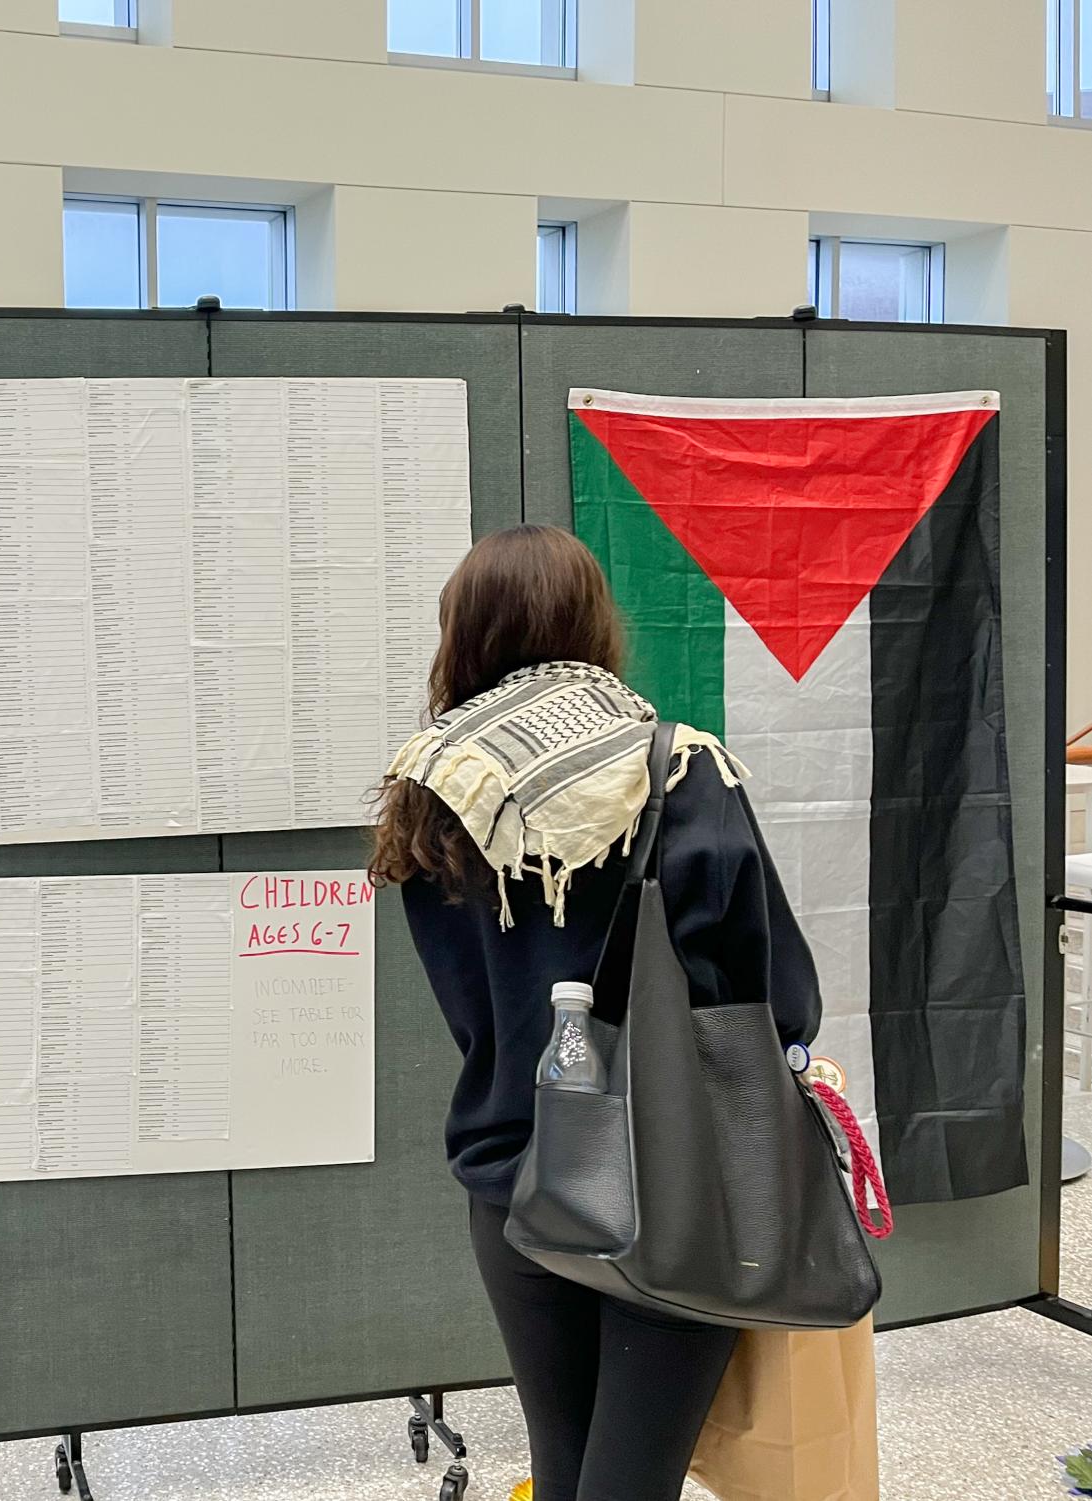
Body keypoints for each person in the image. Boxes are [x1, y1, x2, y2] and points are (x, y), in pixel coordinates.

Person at [370, 525, 821, 1501]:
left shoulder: (431, 787)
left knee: (566, 1463)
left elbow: (469, 987)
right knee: (632, 1481)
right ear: (591, 626)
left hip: (513, 1174)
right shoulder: (678, 767)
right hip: (678, 1183)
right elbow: (777, 994)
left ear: (463, 634)